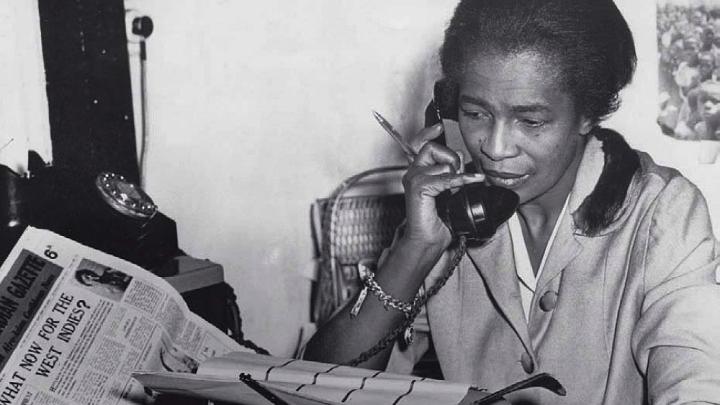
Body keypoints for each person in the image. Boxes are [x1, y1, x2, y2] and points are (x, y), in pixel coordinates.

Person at [304, 0, 720, 403]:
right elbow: (316, 387)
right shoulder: (453, 212)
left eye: (530, 121)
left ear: (588, 114)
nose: (496, 148)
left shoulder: (663, 212)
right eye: (476, 114)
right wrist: (416, 248)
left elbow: (697, 378)